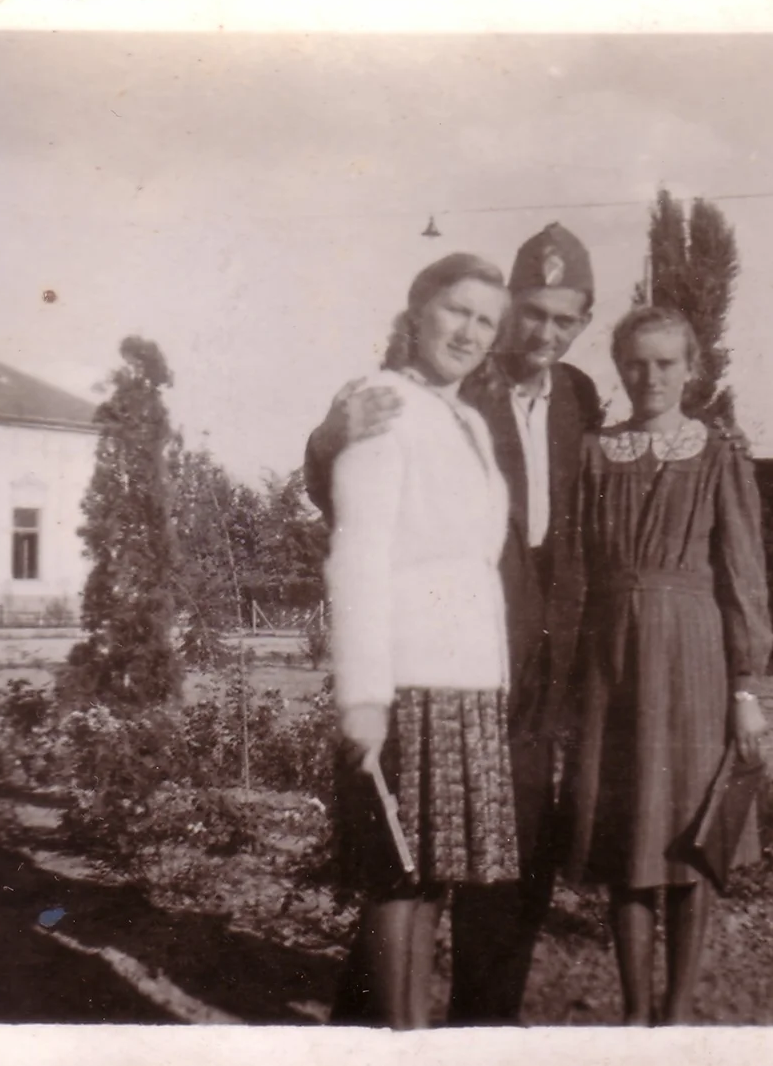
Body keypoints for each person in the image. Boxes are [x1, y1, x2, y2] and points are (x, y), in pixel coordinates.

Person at [310, 222, 601, 1024]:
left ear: (583, 323)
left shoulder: (575, 398)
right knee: (408, 869)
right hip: (427, 659)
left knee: (495, 864)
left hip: (514, 667)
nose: (542, 333)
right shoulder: (438, 391)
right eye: (529, 313)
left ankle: (481, 1029)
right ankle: (375, 1030)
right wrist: (333, 435)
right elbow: (355, 517)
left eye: (564, 318)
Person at [325, 252, 519, 1030]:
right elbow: (358, 553)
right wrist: (364, 697)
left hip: (466, 675)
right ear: (417, 312)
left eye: (486, 321)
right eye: (456, 311)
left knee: (434, 874)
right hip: (406, 675)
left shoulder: (466, 419)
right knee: (396, 875)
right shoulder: (381, 403)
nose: (470, 332)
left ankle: (407, 1033)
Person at [563, 305, 773, 1026]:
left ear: (692, 370)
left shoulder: (719, 454)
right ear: (618, 368)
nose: (649, 376)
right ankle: (635, 1014)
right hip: (611, 665)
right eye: (635, 362)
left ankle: (677, 1014)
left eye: (665, 363)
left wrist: (745, 688)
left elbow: (743, 575)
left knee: (690, 836)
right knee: (626, 838)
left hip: (693, 663)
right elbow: (572, 569)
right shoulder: (594, 453)